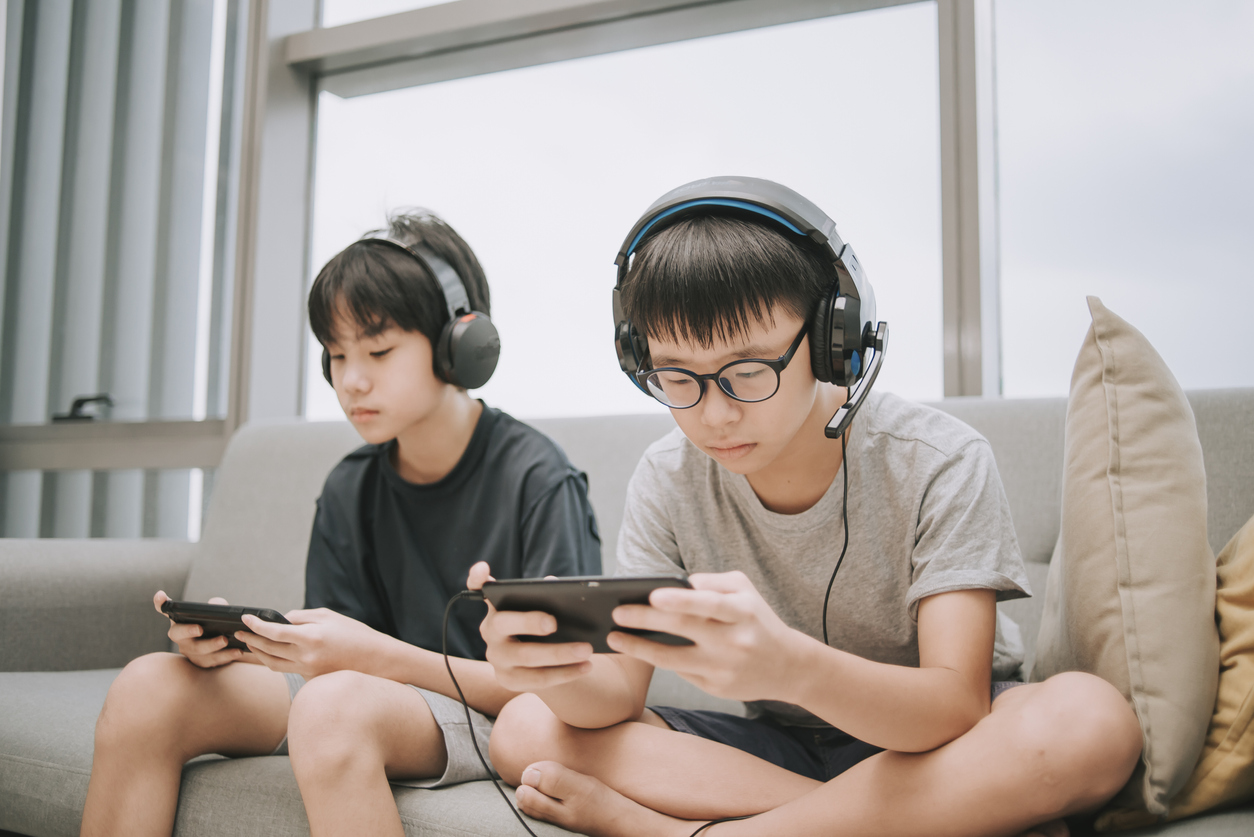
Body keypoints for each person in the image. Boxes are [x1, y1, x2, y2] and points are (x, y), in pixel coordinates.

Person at [472, 178, 1142, 837]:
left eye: (747, 372)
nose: (714, 413)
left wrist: (788, 665)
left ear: (833, 343)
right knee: (528, 725)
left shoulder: (939, 458)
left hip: (940, 744)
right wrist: (553, 669)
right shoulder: (666, 477)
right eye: (677, 378)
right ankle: (908, 819)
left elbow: (956, 707)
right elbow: (617, 696)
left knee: (1091, 721)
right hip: (790, 748)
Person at [80, 210, 601, 837]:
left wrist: (373, 656)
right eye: (336, 355)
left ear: (456, 346)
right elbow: (330, 664)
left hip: (495, 712)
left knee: (332, 707)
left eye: (379, 351)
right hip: (356, 695)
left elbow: (566, 692)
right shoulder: (350, 484)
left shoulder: (538, 479)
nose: (351, 381)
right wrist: (241, 647)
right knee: (150, 688)